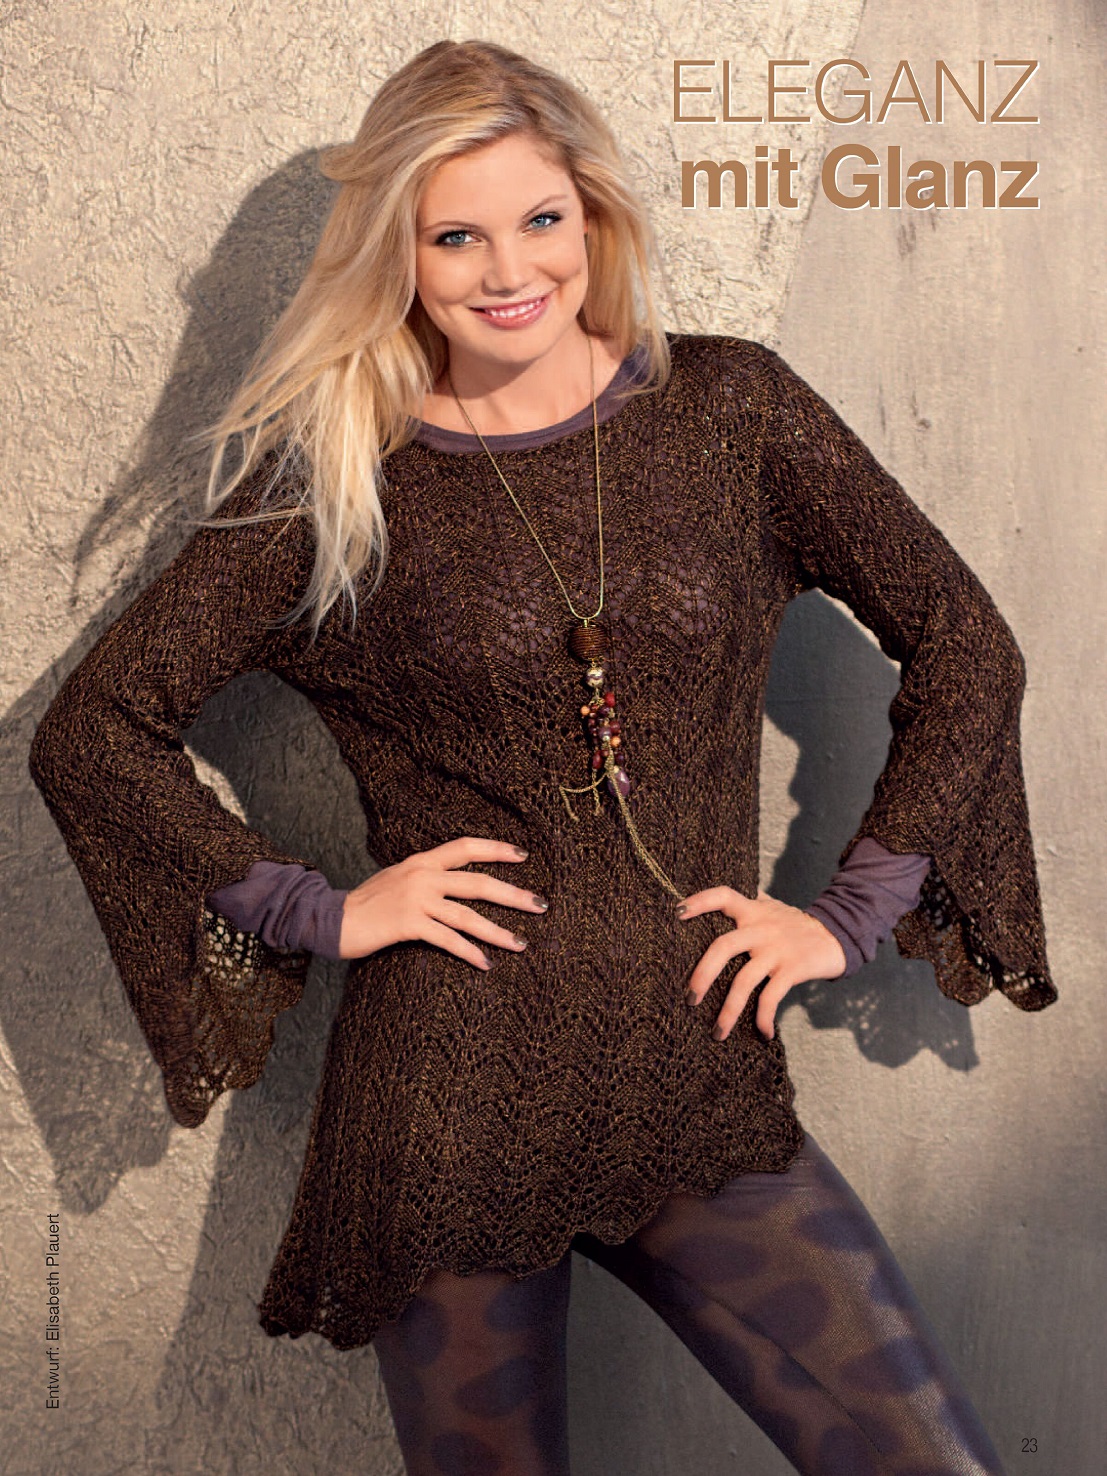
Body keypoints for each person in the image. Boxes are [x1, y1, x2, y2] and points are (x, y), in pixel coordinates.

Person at [28, 37, 1056, 1476]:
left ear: (593, 217)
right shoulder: (337, 472)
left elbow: (966, 644)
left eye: (540, 219)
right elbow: (94, 734)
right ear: (398, 254)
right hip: (446, 1097)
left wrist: (848, 915)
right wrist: (321, 909)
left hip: (693, 1071)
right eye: (455, 235)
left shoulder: (732, 408)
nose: (508, 269)